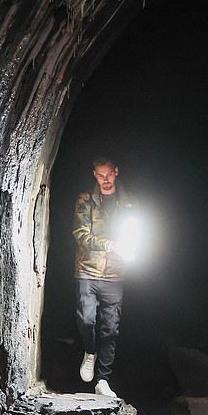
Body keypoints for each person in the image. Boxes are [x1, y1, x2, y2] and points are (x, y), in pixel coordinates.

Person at [72, 156, 133, 398]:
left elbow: (134, 232)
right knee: (87, 319)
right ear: (94, 175)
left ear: (116, 172)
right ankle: (89, 351)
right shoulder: (86, 200)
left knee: (110, 328)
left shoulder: (128, 204)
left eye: (108, 174)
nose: (105, 180)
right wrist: (110, 244)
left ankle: (103, 380)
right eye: (100, 175)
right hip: (87, 270)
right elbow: (80, 234)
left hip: (115, 274)